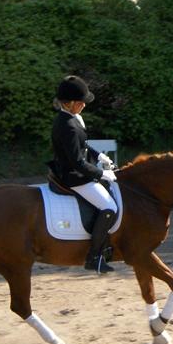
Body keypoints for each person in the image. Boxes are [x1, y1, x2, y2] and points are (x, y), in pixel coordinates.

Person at [49, 75, 118, 274]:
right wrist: (101, 174)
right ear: (69, 104)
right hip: (72, 176)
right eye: (80, 103)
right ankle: (94, 257)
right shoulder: (68, 126)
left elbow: (82, 145)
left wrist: (99, 156)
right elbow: (77, 162)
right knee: (109, 207)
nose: (84, 106)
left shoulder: (70, 118)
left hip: (75, 168)